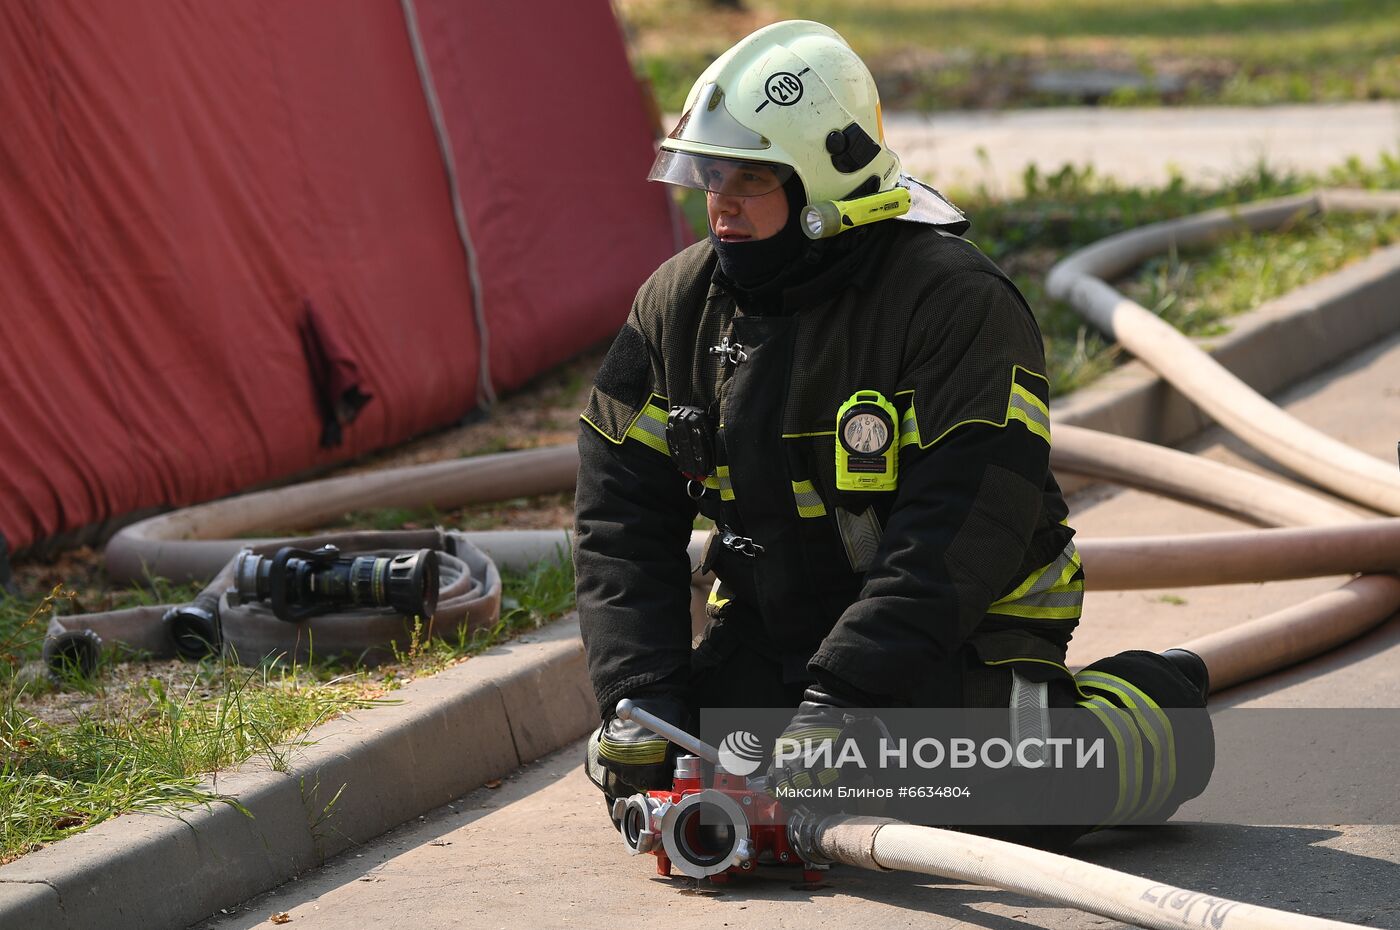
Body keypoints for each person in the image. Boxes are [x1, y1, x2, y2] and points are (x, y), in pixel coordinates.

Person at [574, 20, 1211, 843]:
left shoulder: (952, 302)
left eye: (747, 177)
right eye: (706, 174)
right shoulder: (677, 306)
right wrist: (641, 697)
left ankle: (1160, 703)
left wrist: (847, 698)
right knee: (705, 773)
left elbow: (962, 525)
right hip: (780, 638)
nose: (719, 201)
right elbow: (619, 517)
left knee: (997, 798)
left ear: (820, 185)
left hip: (962, 631)